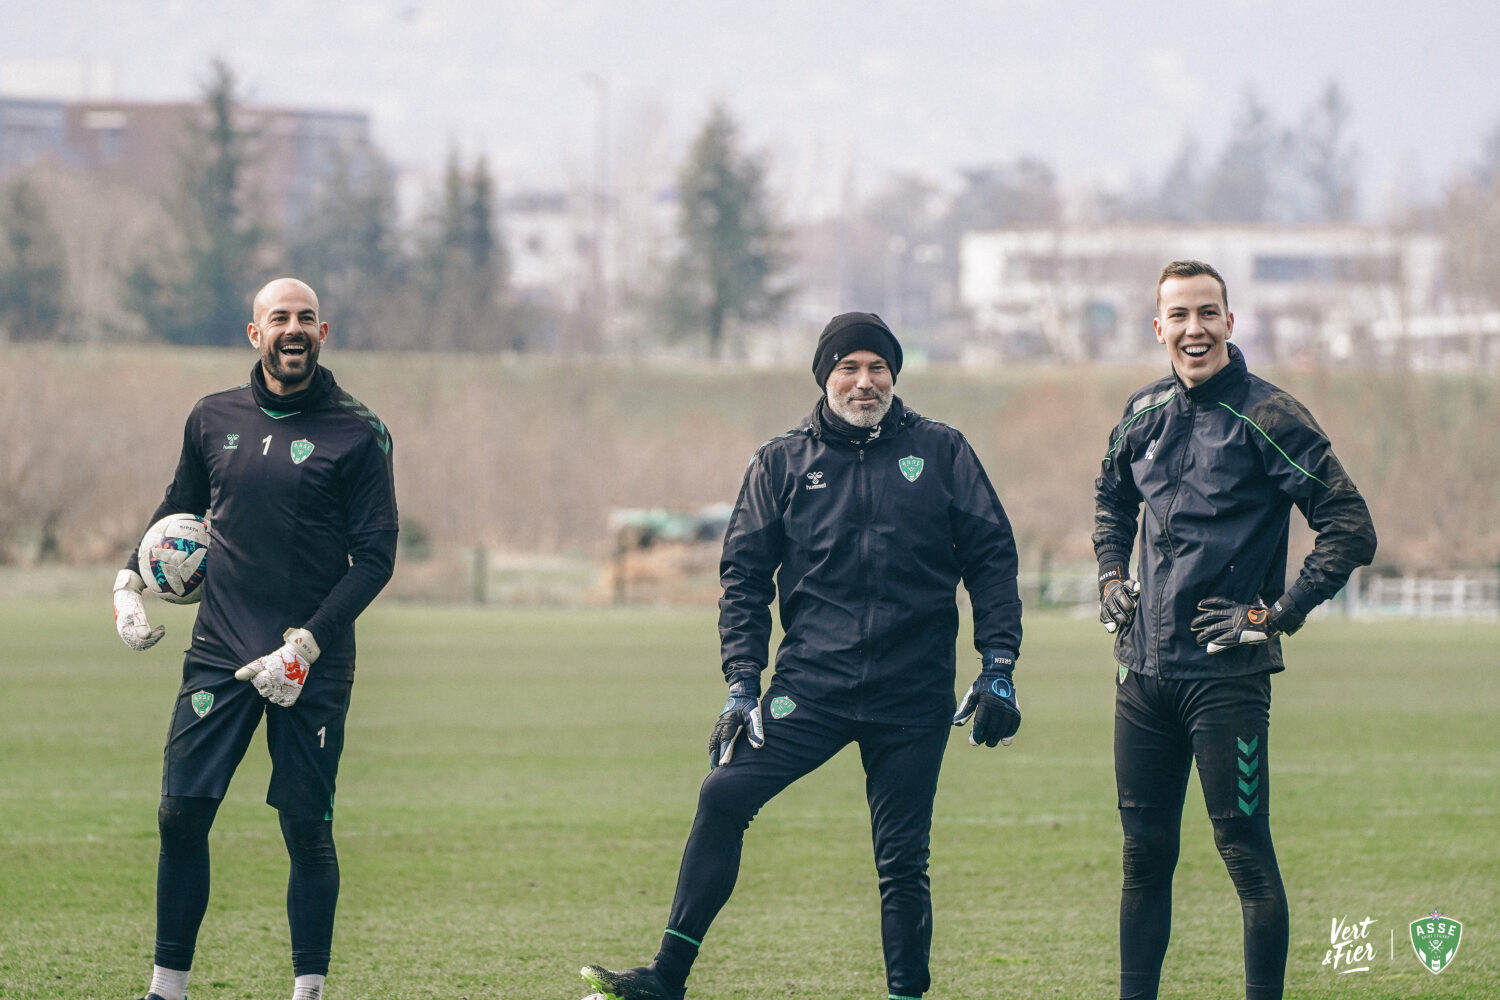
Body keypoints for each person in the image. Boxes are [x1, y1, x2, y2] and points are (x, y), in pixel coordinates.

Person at [580, 312, 1024, 1000]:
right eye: (848, 367)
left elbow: (993, 559)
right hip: (810, 688)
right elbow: (745, 579)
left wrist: (998, 666)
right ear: (826, 377)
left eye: (878, 367)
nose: (864, 380)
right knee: (723, 794)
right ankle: (666, 979)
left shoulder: (942, 452)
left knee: (902, 860)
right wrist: (739, 684)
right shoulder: (782, 462)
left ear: (894, 375)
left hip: (913, 692)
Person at [1093, 260, 1376, 1000]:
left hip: (1226, 681)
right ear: (1159, 329)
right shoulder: (1142, 410)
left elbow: (1350, 527)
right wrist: (1107, 573)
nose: (1195, 329)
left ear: (1230, 320)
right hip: (1142, 681)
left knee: (1244, 853)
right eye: (1179, 316)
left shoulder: (1271, 416)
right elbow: (1111, 498)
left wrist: (1276, 614)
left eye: (1208, 313)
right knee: (1143, 856)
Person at [112, 278, 399, 1000]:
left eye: (305, 318)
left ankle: (307, 993)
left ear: (323, 333)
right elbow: (178, 506)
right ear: (255, 333)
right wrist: (128, 582)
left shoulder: (359, 432)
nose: (293, 329)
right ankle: (165, 990)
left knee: (306, 830)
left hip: (312, 661)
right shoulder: (212, 418)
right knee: (180, 816)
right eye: (280, 318)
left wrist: (306, 646)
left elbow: (376, 558)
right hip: (219, 650)